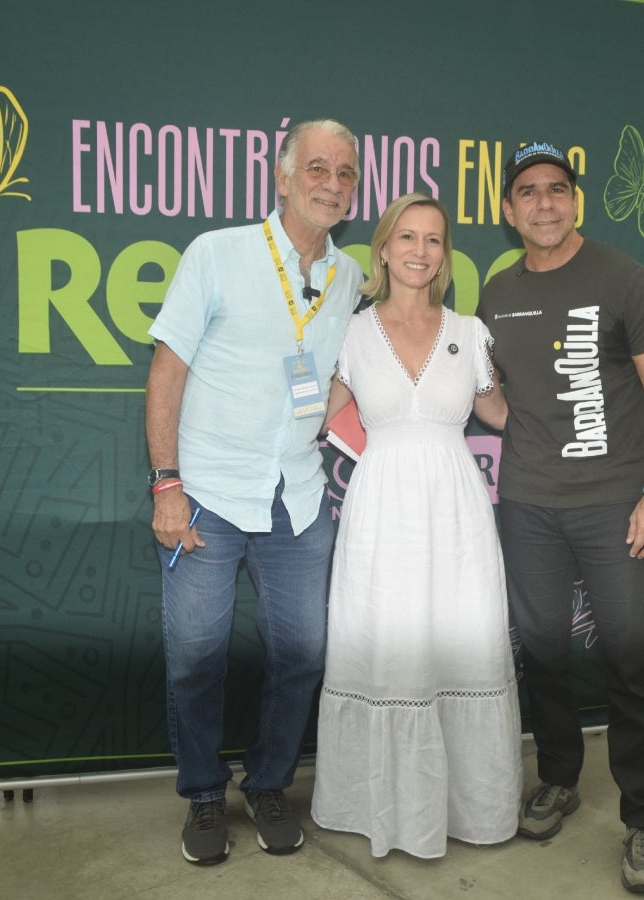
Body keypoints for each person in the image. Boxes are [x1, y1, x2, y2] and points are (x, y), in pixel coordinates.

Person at [144, 119, 364, 865]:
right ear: (282, 177)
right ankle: (205, 796)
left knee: (303, 654)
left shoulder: (348, 278)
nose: (331, 184)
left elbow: (339, 374)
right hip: (206, 492)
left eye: (345, 174)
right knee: (195, 658)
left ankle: (268, 783)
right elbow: (167, 371)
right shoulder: (217, 253)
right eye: (317, 168)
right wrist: (166, 484)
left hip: (298, 498)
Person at [477, 141, 644, 894]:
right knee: (542, 653)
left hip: (616, 508)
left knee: (632, 659)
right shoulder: (496, 294)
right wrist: (521, 424)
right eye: (529, 191)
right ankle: (559, 777)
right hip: (529, 505)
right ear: (509, 210)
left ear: (575, 201)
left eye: (557, 189)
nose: (544, 203)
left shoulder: (624, 278)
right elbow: (494, 396)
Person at [310, 193, 523, 858]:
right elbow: (312, 412)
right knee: (388, 645)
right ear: (382, 248)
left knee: (460, 642)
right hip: (379, 515)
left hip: (456, 514)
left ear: (445, 254)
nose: (420, 251)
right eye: (407, 236)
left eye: (433, 239)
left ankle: (470, 808)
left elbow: (501, 414)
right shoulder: (350, 333)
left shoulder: (470, 332)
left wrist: (587, 419)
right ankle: (376, 808)